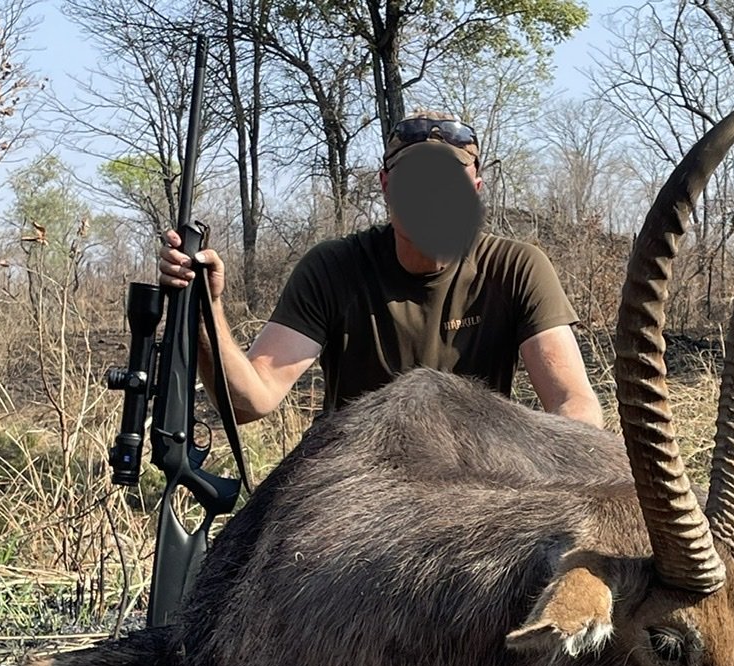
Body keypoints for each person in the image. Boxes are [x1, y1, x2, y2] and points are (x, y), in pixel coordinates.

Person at [158, 111, 604, 428]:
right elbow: (250, 401)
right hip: (359, 492)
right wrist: (205, 311)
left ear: (475, 187)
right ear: (387, 186)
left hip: (477, 485)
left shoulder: (517, 268)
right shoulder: (333, 268)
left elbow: (575, 404)